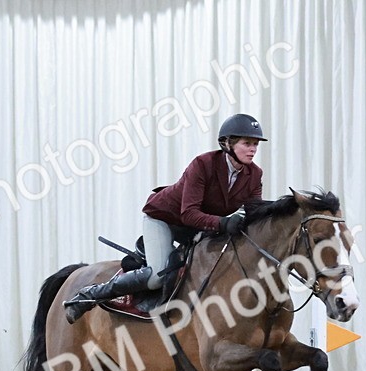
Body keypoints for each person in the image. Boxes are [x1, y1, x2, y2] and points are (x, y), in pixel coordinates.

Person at [64, 113, 266, 323]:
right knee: (157, 276)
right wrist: (223, 223)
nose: (253, 149)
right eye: (247, 143)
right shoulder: (203, 164)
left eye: (255, 144)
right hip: (164, 217)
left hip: (197, 227)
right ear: (227, 143)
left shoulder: (255, 174)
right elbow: (189, 213)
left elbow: (254, 212)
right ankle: (91, 294)